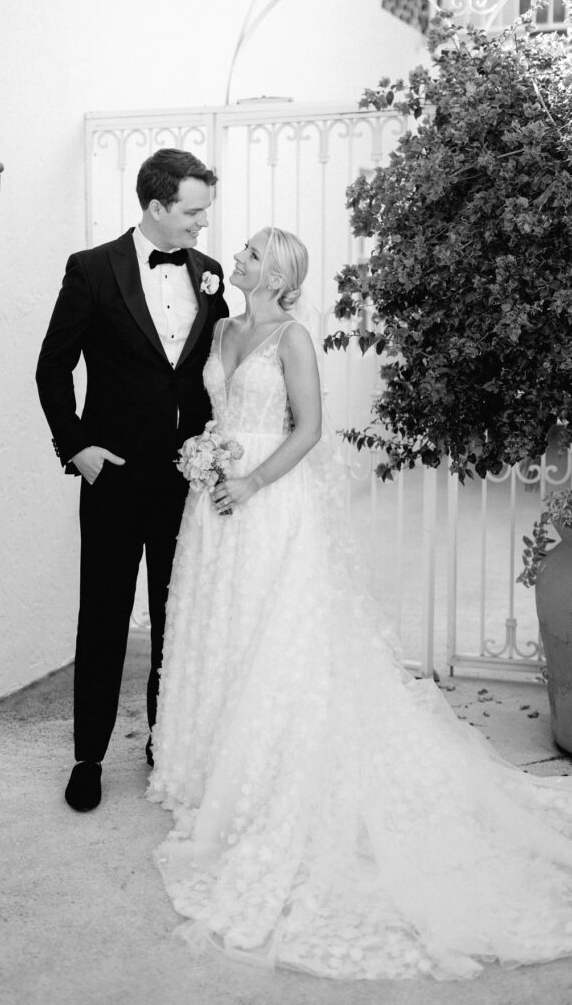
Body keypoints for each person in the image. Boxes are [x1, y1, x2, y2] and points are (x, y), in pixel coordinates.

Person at [147, 226, 572, 981]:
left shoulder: (293, 338)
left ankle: (274, 766)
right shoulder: (220, 327)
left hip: (268, 504)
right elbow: (211, 414)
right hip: (213, 507)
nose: (236, 258)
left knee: (269, 636)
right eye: (242, 250)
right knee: (217, 627)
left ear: (276, 275)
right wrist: (206, 457)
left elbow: (308, 431)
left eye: (251, 254)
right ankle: (212, 761)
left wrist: (247, 480)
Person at [36, 148, 228, 812]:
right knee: (105, 617)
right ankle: (87, 757)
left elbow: (212, 370)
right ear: (155, 206)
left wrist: (220, 445)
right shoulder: (91, 270)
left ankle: (162, 740)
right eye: (192, 211)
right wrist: (77, 448)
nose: (202, 224)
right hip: (114, 477)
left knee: (176, 616)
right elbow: (51, 367)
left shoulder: (208, 274)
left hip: (185, 478)